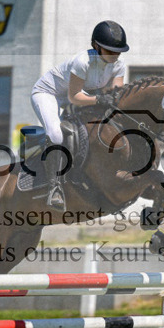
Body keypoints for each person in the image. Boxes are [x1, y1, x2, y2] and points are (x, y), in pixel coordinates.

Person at [31, 20, 129, 210]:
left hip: (79, 97)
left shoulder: (119, 65)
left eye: (118, 51)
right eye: (110, 51)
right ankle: (54, 187)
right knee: (56, 134)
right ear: (96, 46)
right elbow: (74, 97)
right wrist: (99, 100)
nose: (115, 55)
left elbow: (116, 93)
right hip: (49, 94)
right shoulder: (83, 62)